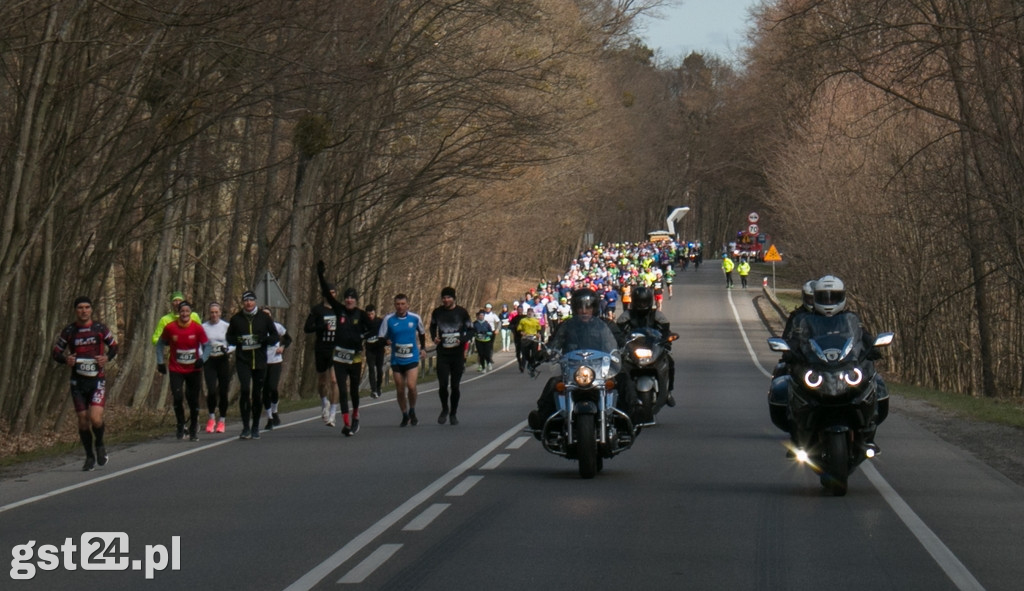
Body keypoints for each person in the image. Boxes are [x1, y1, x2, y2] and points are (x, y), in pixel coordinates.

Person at [526, 288, 636, 431]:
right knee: (553, 383)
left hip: (603, 370)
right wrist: (544, 354)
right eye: (580, 307)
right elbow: (553, 345)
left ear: (595, 308)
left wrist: (628, 349)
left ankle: (634, 413)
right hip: (573, 371)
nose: (584, 311)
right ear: (574, 308)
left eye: (588, 307)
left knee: (623, 378)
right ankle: (541, 419)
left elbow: (620, 340)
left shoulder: (607, 325)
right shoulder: (566, 326)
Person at [52, 296, 119, 471]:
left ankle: (100, 445)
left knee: (95, 418)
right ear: (76, 310)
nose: (84, 310)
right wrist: (66, 359)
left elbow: (114, 347)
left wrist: (107, 357)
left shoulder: (100, 329)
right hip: (77, 382)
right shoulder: (69, 331)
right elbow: (56, 352)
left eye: (87, 307)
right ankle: (89, 456)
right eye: (80, 307)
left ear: (91, 310)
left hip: (97, 380)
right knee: (83, 421)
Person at [316, 261, 372, 436]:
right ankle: (346, 423)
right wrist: (321, 275)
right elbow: (327, 293)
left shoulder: (361, 315)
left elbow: (372, 330)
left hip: (354, 358)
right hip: (339, 357)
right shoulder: (338, 309)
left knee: (354, 390)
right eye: (347, 297)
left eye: (352, 298)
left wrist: (363, 338)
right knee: (341, 387)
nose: (349, 300)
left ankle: (355, 415)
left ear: (356, 300)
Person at [226, 290, 279, 440]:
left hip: (260, 360)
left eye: (251, 300)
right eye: (246, 300)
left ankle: (255, 426)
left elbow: (275, 337)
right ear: (243, 302)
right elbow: (229, 337)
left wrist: (263, 339)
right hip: (243, 360)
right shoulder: (236, 319)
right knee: (244, 390)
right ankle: (245, 427)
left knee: (257, 393)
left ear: (255, 302)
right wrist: (239, 340)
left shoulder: (264, 318)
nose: (248, 303)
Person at [156, 301, 209, 441]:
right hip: (176, 369)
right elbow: (160, 344)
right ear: (178, 313)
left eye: (187, 311)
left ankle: (193, 427)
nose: (184, 314)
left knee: (192, 399)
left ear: (190, 312)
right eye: (182, 311)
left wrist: (203, 358)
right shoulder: (170, 327)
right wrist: (160, 361)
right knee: (178, 397)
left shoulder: (197, 328)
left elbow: (207, 346)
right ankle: (180, 424)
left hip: (193, 369)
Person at [616, 285, 676, 408]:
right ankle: (619, 394)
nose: (642, 305)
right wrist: (619, 343)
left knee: (670, 360)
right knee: (618, 366)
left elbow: (666, 331)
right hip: (632, 349)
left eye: (644, 302)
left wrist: (667, 340)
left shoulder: (657, 315)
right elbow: (618, 333)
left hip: (653, 348)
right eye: (639, 302)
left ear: (649, 301)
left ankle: (668, 391)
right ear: (634, 301)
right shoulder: (626, 316)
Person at [379, 293, 427, 427]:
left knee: (411, 386)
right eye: (397, 304)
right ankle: (404, 414)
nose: (400, 307)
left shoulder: (415, 318)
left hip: (412, 357)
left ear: (407, 305)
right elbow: (381, 337)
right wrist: (386, 341)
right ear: (395, 305)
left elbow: (422, 333)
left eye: (402, 304)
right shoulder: (388, 319)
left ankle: (412, 409)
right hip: (396, 359)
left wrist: (423, 348)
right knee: (400, 389)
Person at [430, 286, 474, 426]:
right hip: (443, 353)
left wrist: (463, 339)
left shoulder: (462, 312)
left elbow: (471, 330)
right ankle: (444, 408)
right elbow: (432, 326)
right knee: (443, 385)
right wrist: (434, 337)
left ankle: (453, 413)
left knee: (455, 386)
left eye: (448, 297)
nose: (446, 300)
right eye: (443, 298)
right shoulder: (437, 312)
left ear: (454, 298)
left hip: (457, 354)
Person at [304, 283, 340, 426]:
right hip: (321, 348)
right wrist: (322, 327)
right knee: (322, 381)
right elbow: (307, 328)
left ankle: (333, 412)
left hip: (335, 349)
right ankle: (324, 402)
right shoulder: (317, 310)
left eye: (333, 292)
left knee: (334, 380)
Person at [202, 302, 233, 434]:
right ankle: (211, 418)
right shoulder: (203, 327)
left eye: (216, 312)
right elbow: (199, 344)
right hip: (209, 360)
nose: (214, 315)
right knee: (211, 389)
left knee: (223, 391)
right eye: (212, 312)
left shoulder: (226, 326)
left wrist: (228, 349)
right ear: (209, 313)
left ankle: (222, 420)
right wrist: (201, 356)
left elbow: (234, 343)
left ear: (220, 313)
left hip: (222, 360)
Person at [261, 307, 292, 431]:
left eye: (268, 314)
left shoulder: (277, 327)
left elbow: (288, 339)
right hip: (262, 362)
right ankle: (269, 418)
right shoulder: (257, 328)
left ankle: (275, 411)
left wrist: (283, 347)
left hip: (275, 361)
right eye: (263, 314)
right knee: (264, 390)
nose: (266, 316)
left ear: (271, 315)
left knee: (273, 388)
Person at [363, 304, 386, 399]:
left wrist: (386, 342)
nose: (370, 316)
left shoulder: (380, 322)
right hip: (369, 350)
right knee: (371, 369)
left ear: (375, 313)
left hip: (379, 349)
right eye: (368, 314)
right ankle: (373, 390)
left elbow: (385, 333)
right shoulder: (363, 323)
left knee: (379, 369)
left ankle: (378, 386)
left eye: (372, 314)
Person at [515, 306, 542, 373]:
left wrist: (538, 334)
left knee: (533, 353)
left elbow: (539, 329)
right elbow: (519, 329)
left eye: (531, 312)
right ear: (527, 313)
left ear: (533, 313)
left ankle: (532, 365)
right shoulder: (523, 320)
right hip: (526, 338)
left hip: (534, 338)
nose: (530, 313)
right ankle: (523, 366)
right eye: (528, 312)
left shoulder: (536, 320)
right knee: (525, 354)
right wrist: (522, 333)